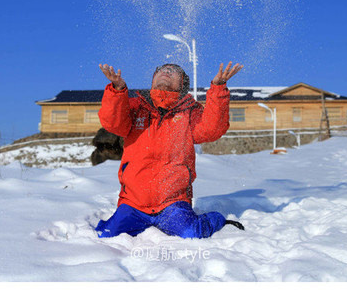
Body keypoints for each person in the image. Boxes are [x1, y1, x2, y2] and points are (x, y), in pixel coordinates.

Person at [95, 61, 244, 239]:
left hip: (173, 203)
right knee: (106, 235)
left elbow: (212, 129)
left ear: (182, 86)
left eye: (173, 72)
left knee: (192, 233)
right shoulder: (135, 106)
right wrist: (118, 90)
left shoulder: (189, 112)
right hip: (133, 203)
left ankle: (215, 219)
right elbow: (113, 123)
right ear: (152, 81)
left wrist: (218, 88)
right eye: (162, 70)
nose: (166, 72)